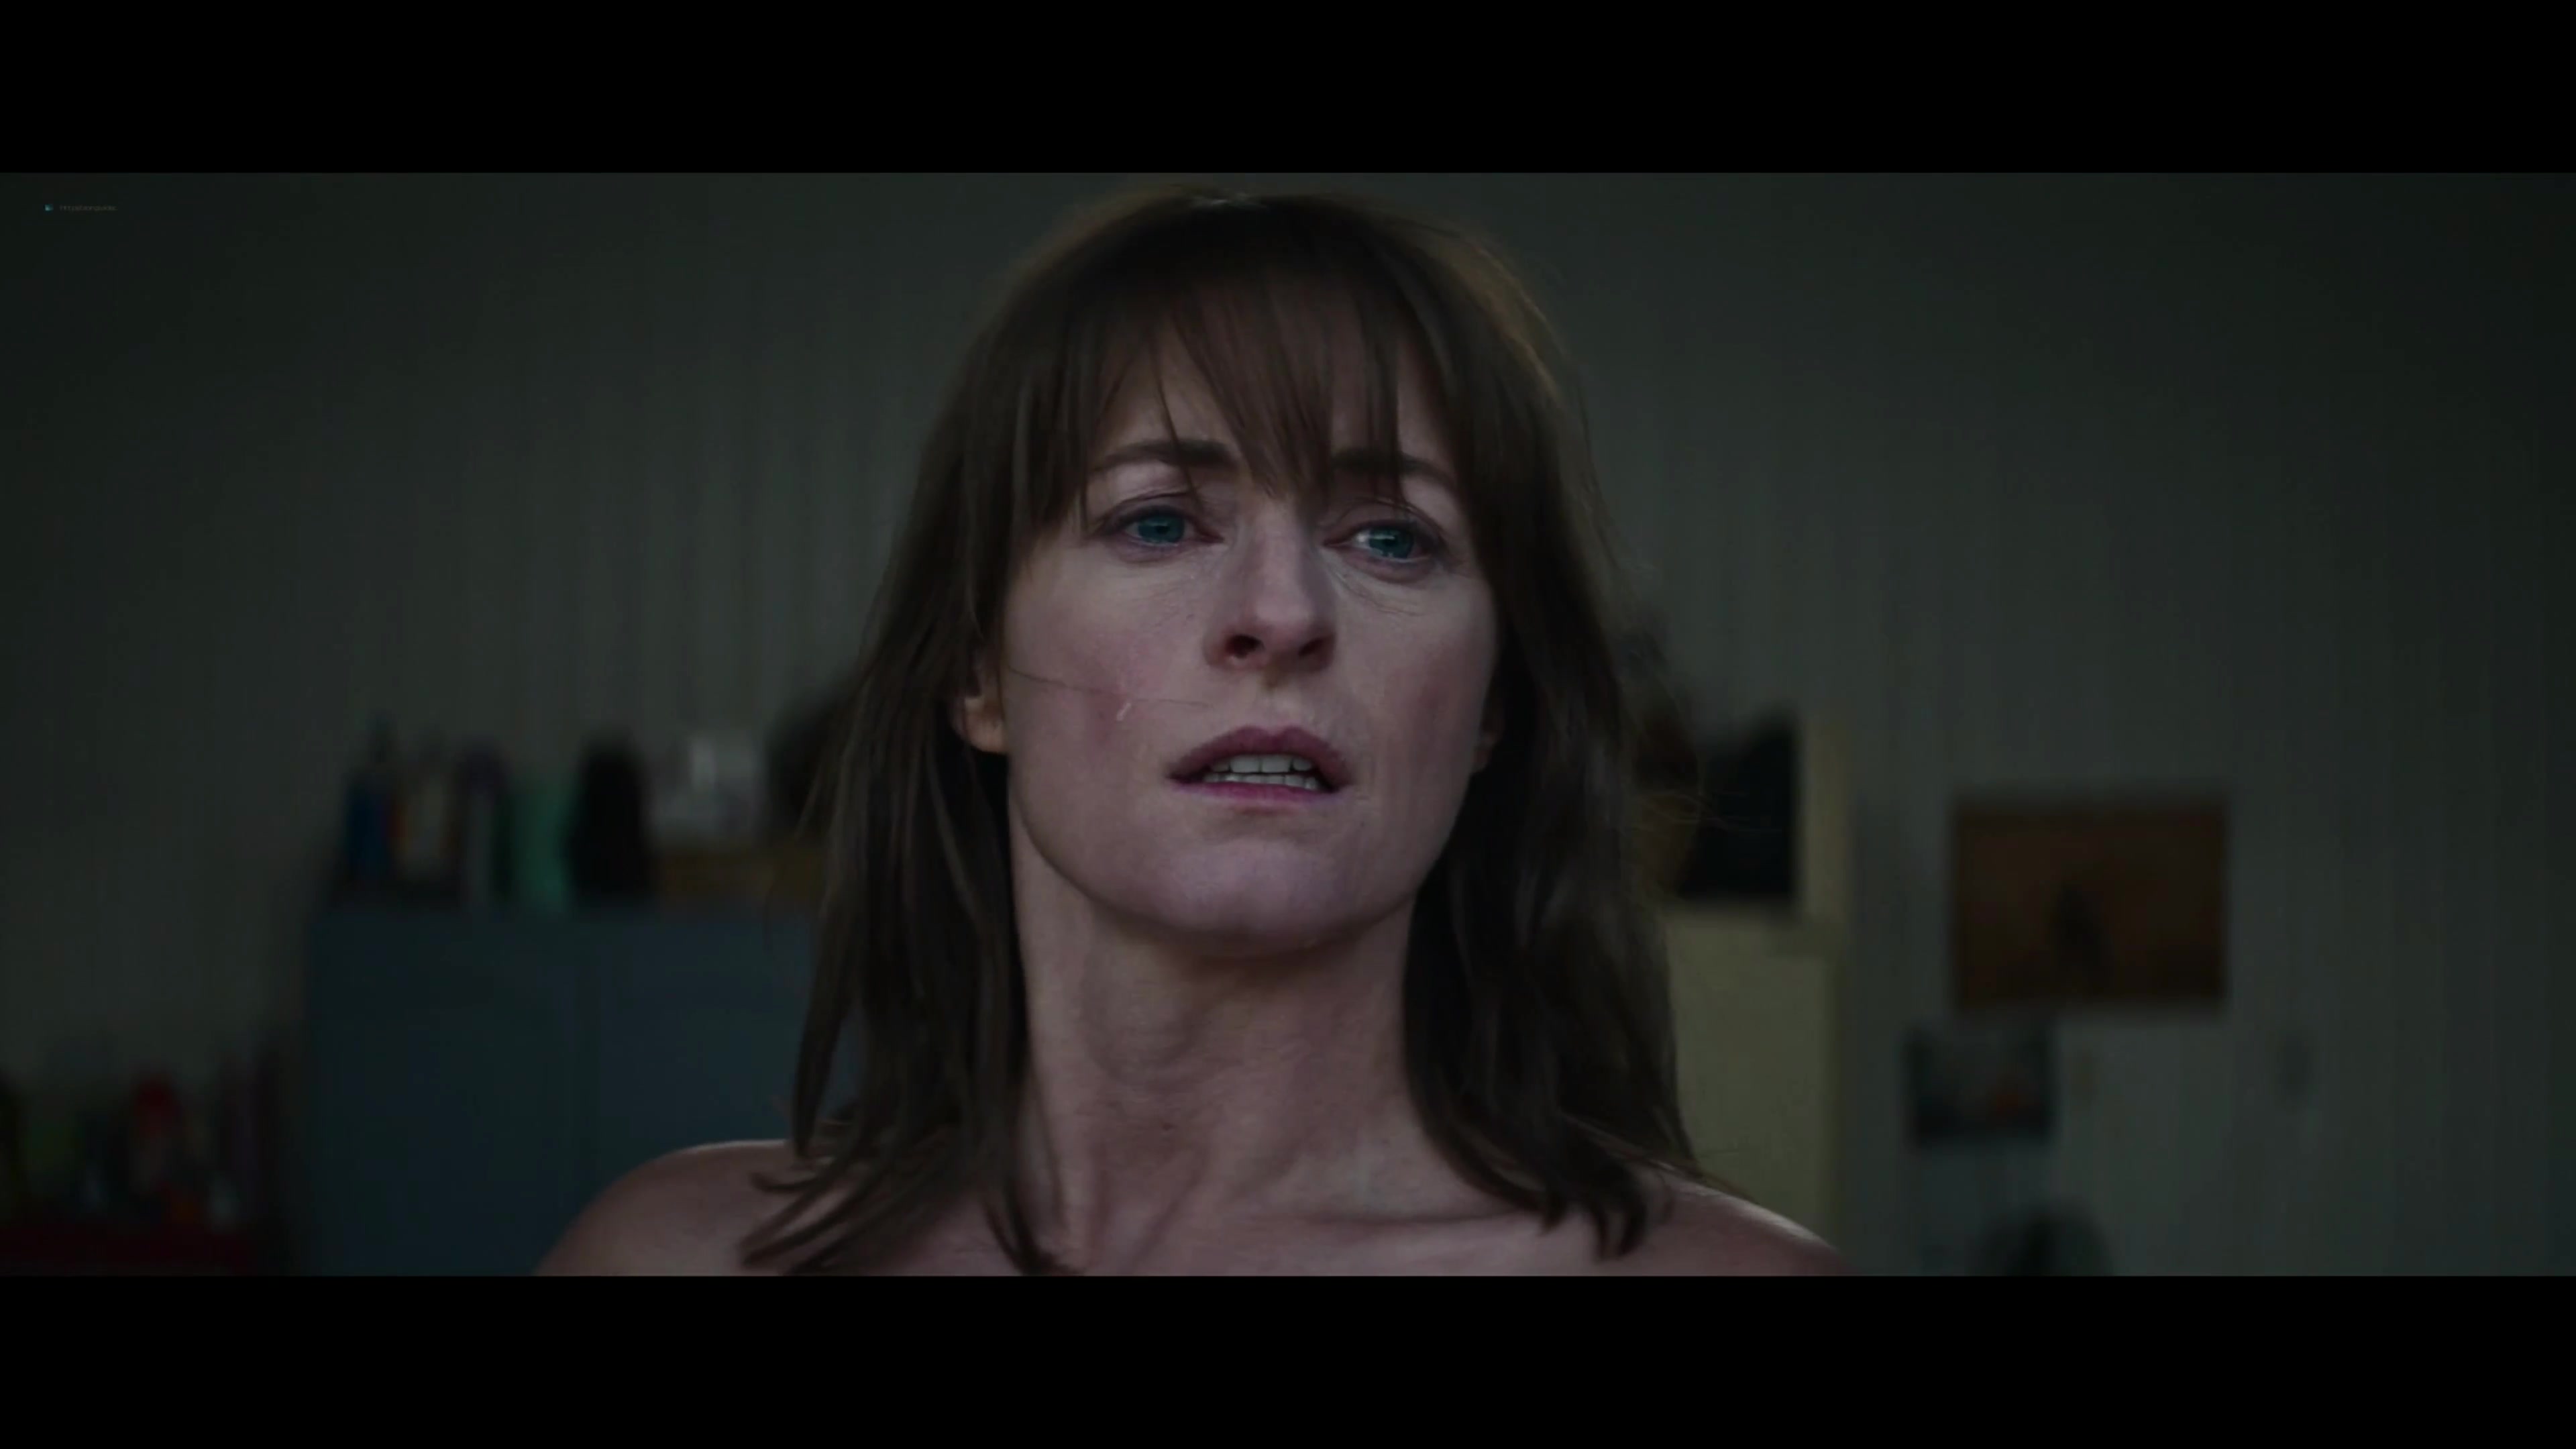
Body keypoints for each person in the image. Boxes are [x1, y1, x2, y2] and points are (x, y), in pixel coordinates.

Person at [540, 183, 1845, 1275]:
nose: (1283, 615)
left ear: (1494, 703)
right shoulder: (674, 1259)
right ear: (977, 674)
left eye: (1392, 540)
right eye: (1159, 521)